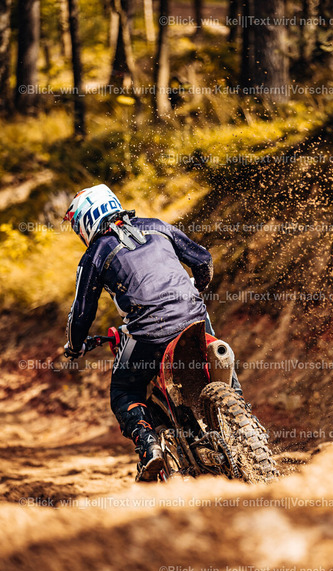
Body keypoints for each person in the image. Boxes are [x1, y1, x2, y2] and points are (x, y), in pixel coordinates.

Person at [63, 184, 241, 482]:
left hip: (148, 333)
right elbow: (203, 261)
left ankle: (149, 446)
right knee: (218, 357)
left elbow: (81, 313)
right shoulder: (157, 226)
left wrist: (74, 346)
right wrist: (196, 289)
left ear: (85, 221)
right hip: (194, 316)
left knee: (124, 391)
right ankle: (241, 416)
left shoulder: (95, 254)